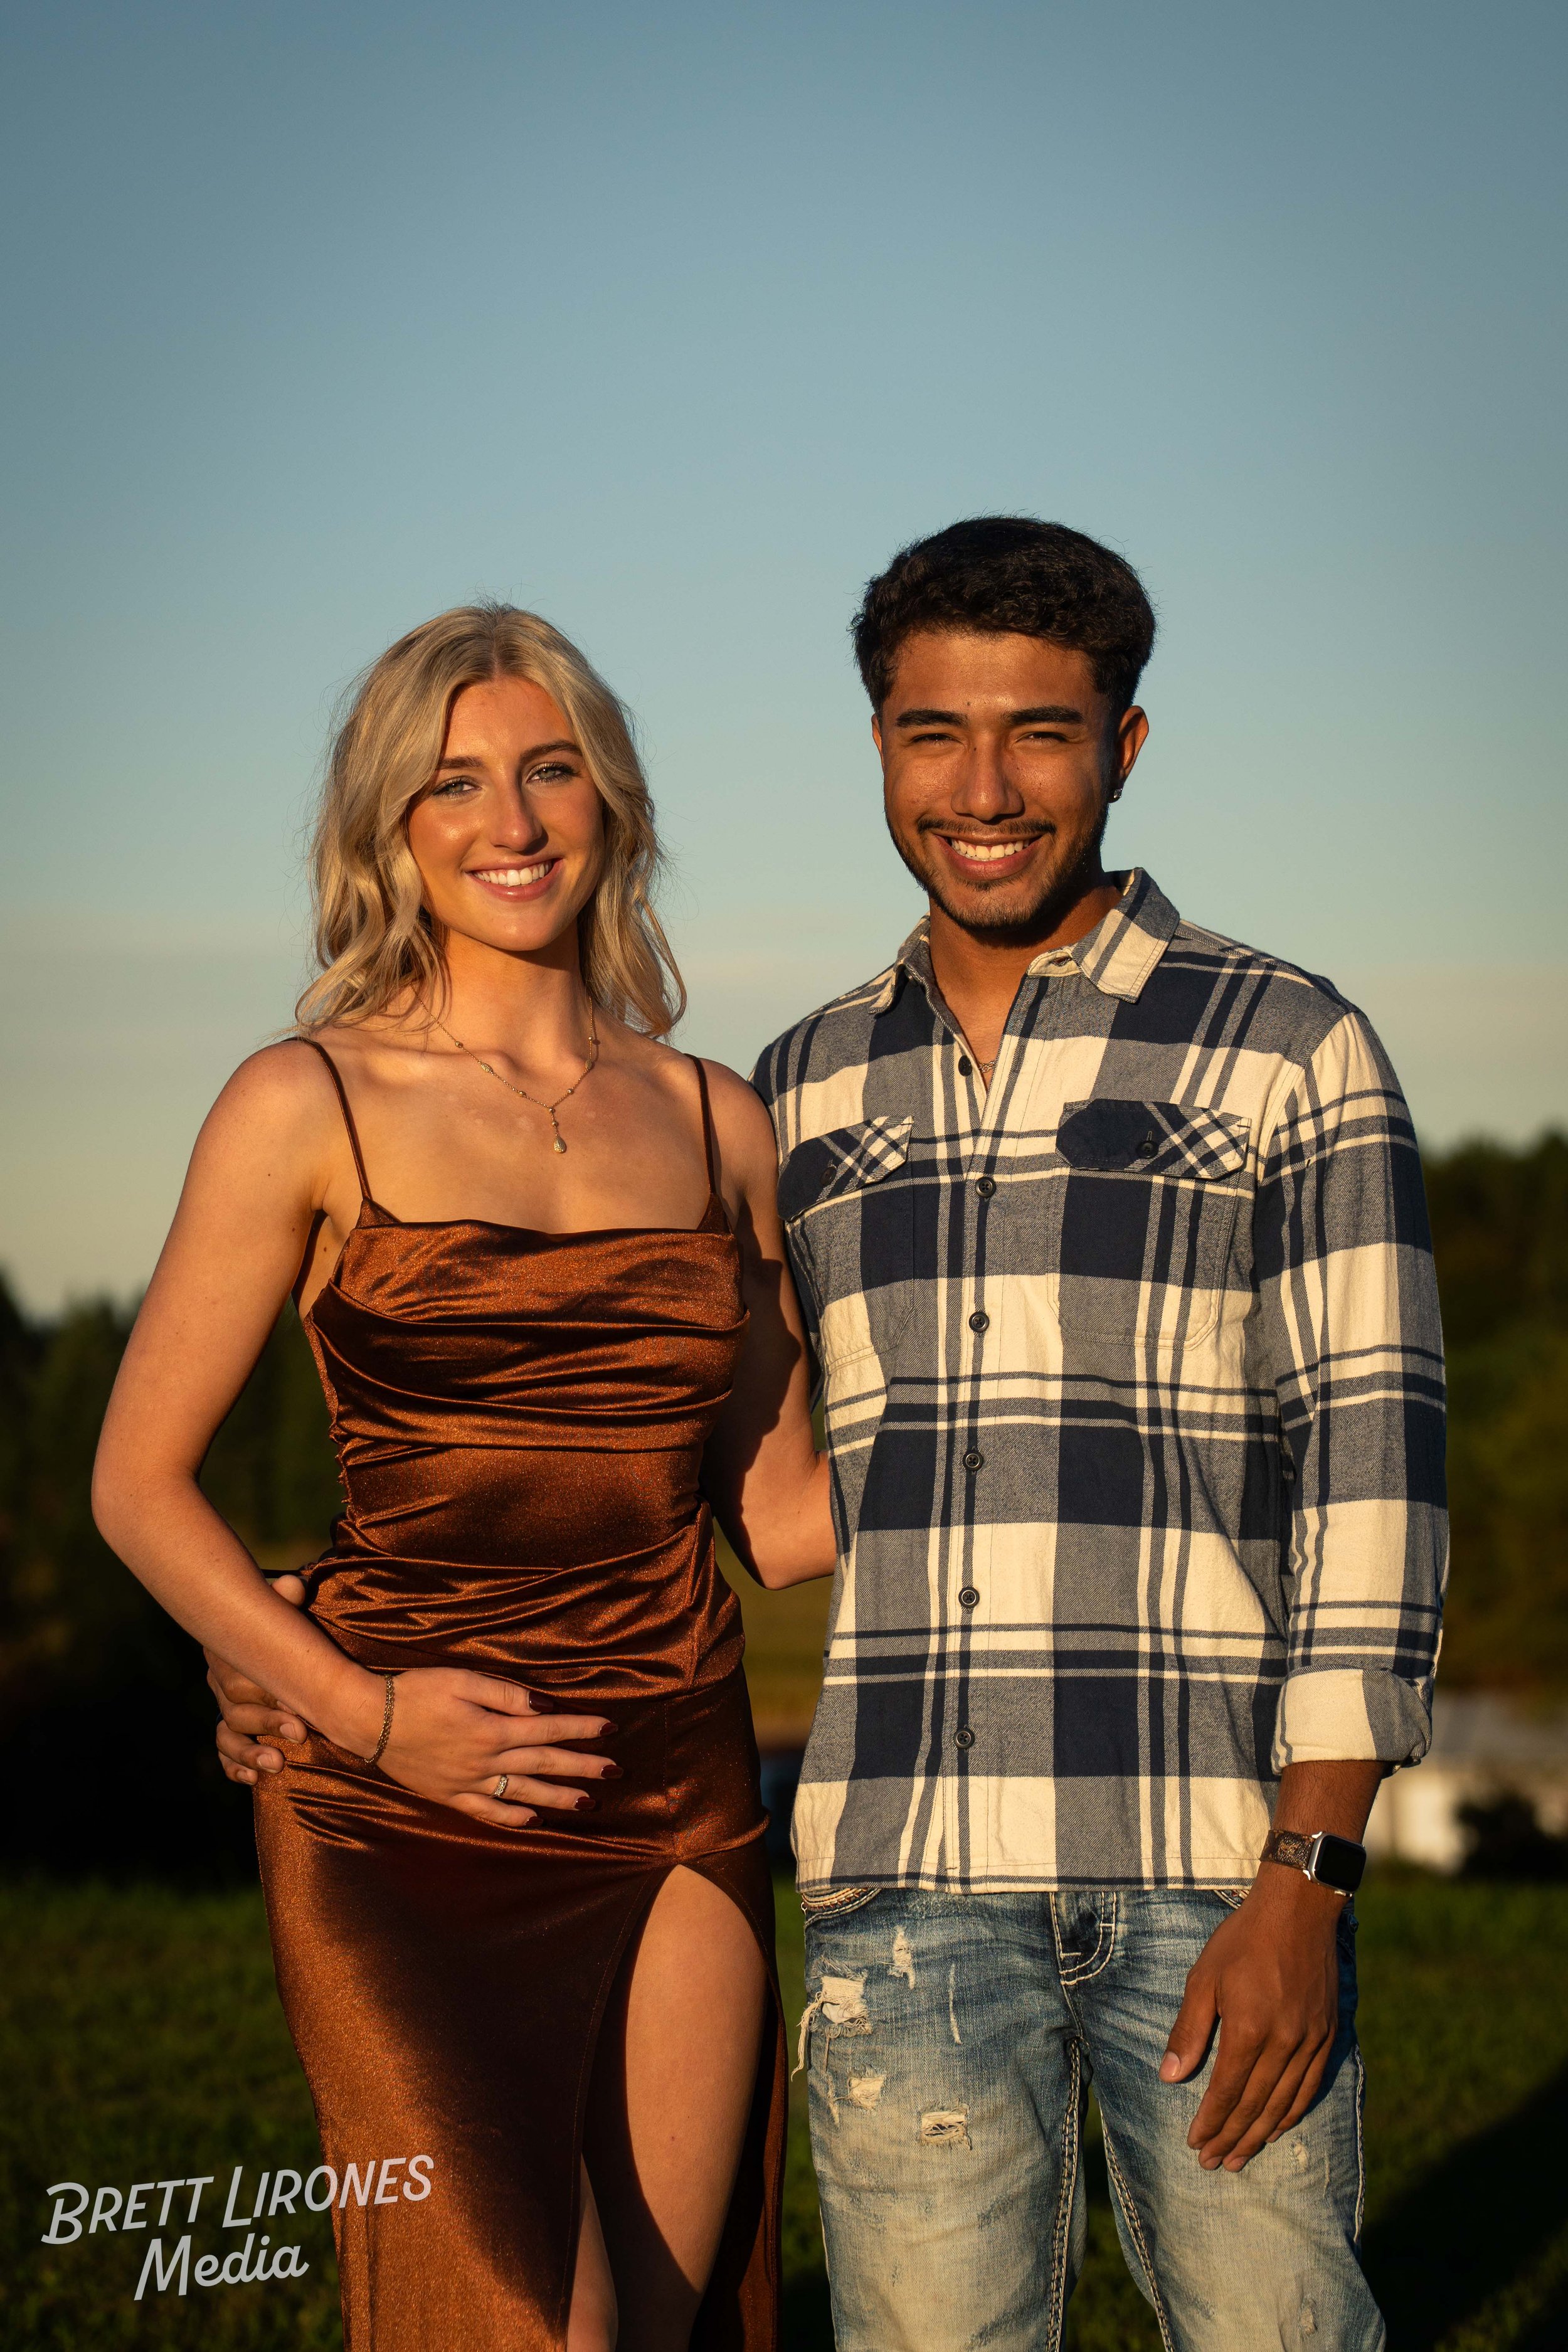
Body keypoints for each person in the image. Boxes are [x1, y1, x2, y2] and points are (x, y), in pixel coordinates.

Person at [92, 604, 835, 2352]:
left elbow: (788, 1522)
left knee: (654, 2331)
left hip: (675, 1791)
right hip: (392, 1808)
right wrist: (353, 1715)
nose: (510, 821)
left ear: (613, 803)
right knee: (527, 2325)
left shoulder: (722, 1123)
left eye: (549, 769)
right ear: (388, 837)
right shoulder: (303, 1102)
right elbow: (137, 1484)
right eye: (452, 785)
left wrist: (1039, 1393)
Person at [748, 519, 1445, 2351]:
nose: (982, 790)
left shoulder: (1286, 1045)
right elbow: (729, 1489)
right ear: (878, 742)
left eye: (1037, 734)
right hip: (899, 1889)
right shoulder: (797, 1085)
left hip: (1208, 1874)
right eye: (929, 735)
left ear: (1121, 748)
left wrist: (1304, 1878)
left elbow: (1371, 1478)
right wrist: (343, 1636)